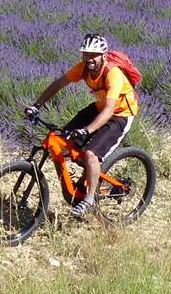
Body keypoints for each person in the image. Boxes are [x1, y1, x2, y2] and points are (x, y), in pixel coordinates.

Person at [24, 33, 139, 217]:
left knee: (91, 154)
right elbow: (59, 84)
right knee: (63, 140)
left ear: (104, 55)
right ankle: (81, 179)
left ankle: (89, 200)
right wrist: (36, 105)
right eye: (86, 54)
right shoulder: (83, 68)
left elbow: (110, 110)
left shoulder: (113, 74)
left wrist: (87, 130)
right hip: (99, 107)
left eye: (94, 55)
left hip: (120, 114)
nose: (89, 59)